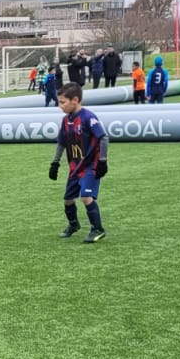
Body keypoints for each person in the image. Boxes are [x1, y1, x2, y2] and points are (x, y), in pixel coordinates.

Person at [48, 82, 108, 245]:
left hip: (91, 166)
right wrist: (55, 163)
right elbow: (61, 143)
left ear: (75, 100)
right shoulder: (65, 120)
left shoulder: (88, 117)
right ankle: (74, 224)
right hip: (75, 167)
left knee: (86, 197)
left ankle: (98, 229)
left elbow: (103, 137)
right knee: (68, 199)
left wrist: (102, 161)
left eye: (62, 102)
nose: (60, 106)